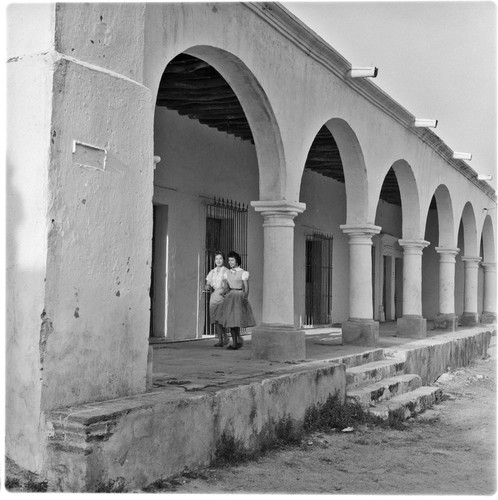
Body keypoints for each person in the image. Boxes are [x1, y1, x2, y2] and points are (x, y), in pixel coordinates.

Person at [220, 250, 256, 350]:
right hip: (230, 297)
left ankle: (237, 341)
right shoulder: (227, 273)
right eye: (229, 260)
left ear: (237, 261)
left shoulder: (243, 273)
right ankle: (235, 342)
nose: (230, 262)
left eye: (232, 260)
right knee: (231, 321)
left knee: (237, 320)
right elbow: (226, 286)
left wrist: (245, 297)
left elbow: (246, 287)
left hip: (239, 296)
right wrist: (224, 291)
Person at [205, 251, 229, 347]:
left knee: (221, 318)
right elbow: (208, 283)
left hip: (223, 295)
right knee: (216, 319)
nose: (218, 261)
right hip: (214, 295)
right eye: (217, 259)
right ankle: (220, 339)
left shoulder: (227, 271)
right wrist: (207, 286)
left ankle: (225, 337)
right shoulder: (212, 272)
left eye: (220, 258)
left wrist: (226, 290)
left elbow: (229, 284)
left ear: (223, 260)